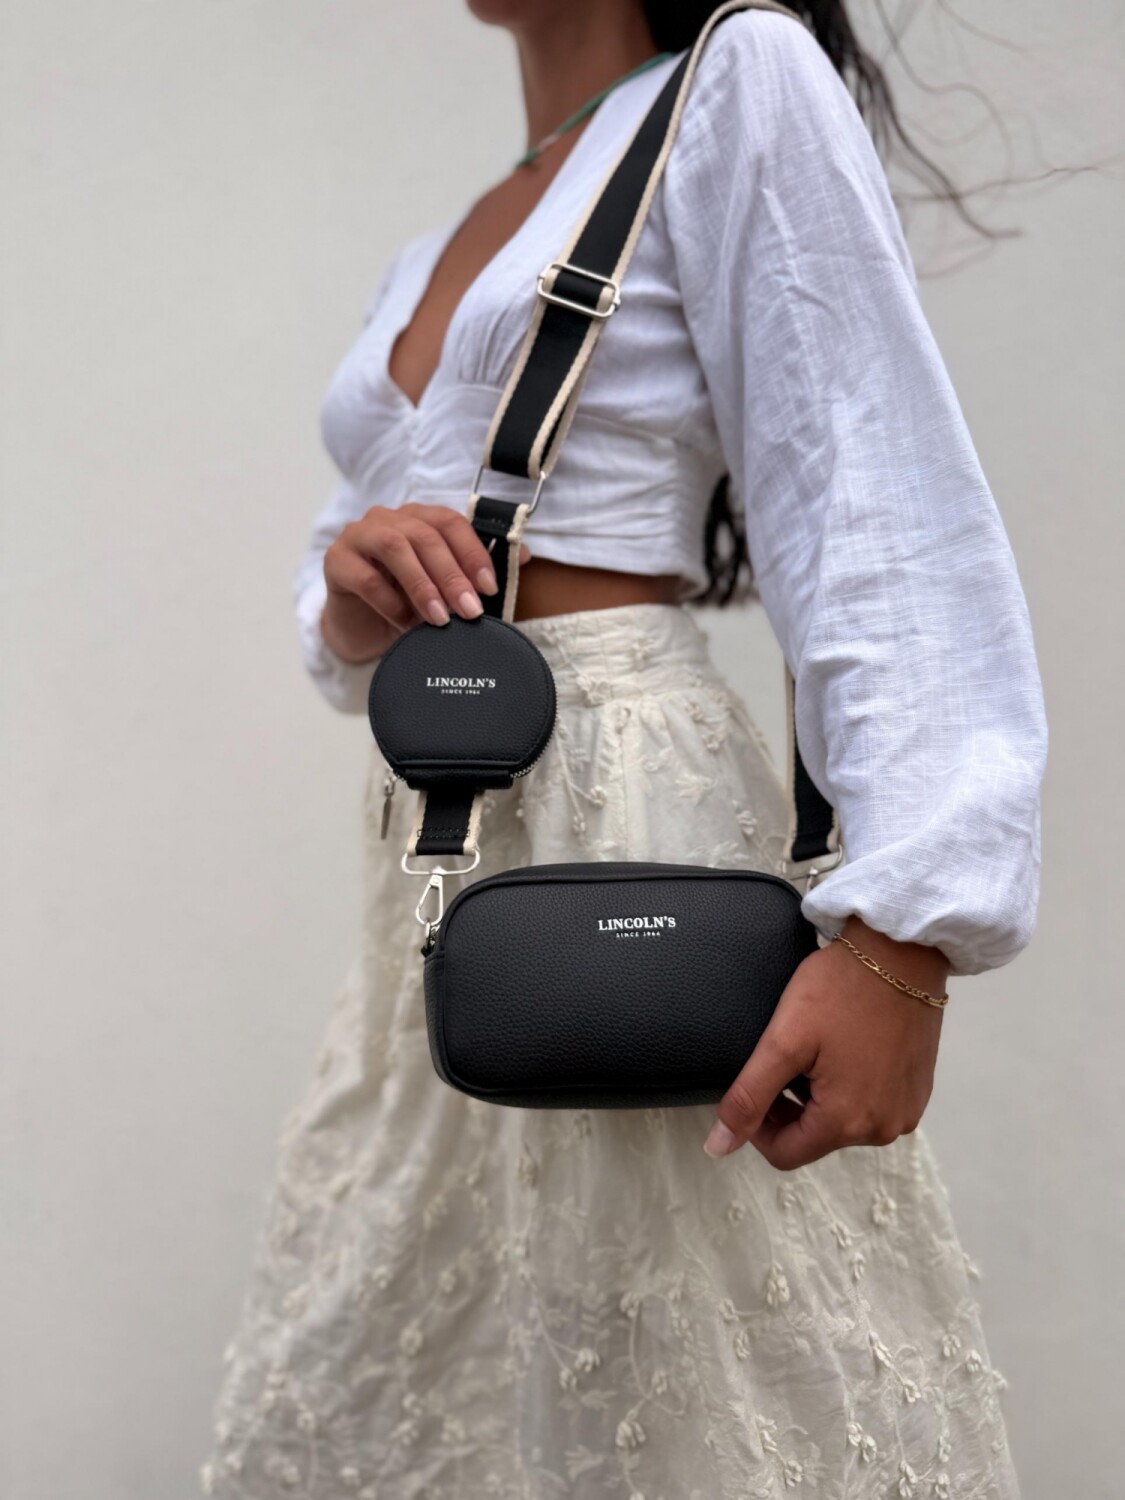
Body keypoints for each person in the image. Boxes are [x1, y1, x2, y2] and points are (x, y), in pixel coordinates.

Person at [199, 2, 1046, 1495]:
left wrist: (906, 931)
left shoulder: (739, 75)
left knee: (684, 1364)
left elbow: (867, 489)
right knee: (425, 1358)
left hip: (623, 802)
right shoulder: (475, 215)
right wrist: (353, 592)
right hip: (440, 839)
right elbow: (351, 606)